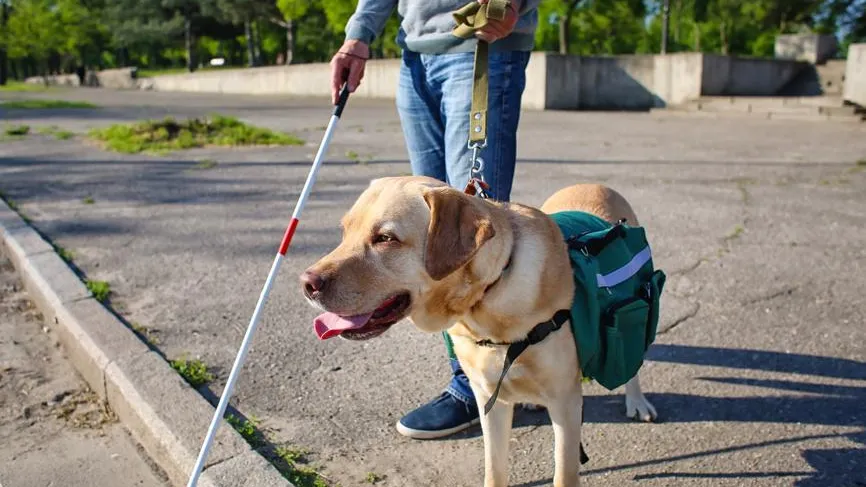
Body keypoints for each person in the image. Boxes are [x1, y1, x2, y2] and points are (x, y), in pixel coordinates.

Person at [328, 0, 540, 440]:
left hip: (482, 43)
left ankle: (478, 385)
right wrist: (358, 33)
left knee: (471, 231)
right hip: (416, 52)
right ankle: (486, 368)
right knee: (430, 233)